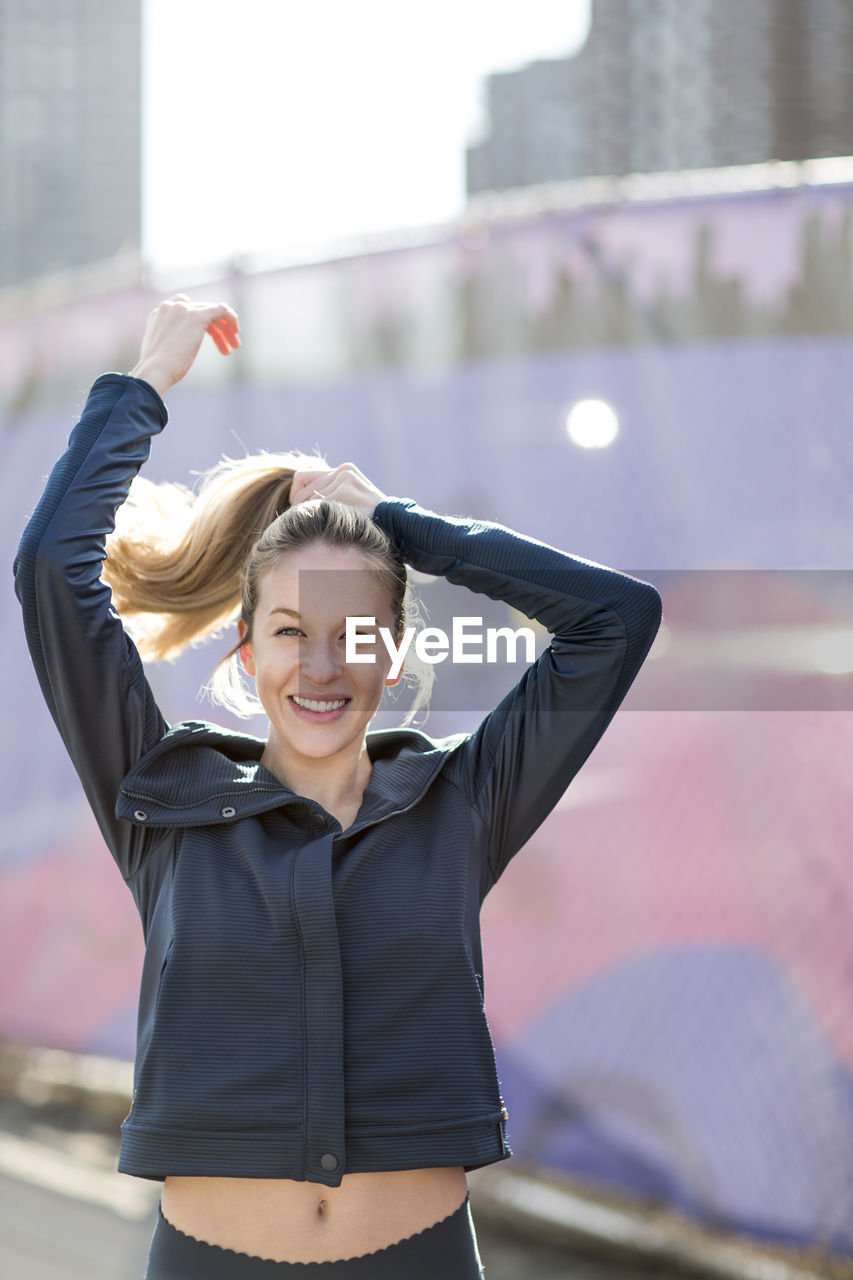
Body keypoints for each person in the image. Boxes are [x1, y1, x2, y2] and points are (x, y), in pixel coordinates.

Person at [14, 297, 662, 1279]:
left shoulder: (463, 801)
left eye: (354, 629)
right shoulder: (162, 799)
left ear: (392, 649)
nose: (321, 663)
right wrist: (144, 382)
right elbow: (52, 568)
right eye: (288, 630)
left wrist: (398, 524)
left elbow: (616, 617)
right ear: (245, 647)